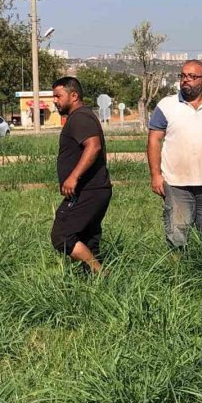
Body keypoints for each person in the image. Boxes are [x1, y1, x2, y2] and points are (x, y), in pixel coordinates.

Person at [147, 59, 202, 248]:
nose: (185, 80)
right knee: (177, 233)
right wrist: (155, 175)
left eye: (192, 76)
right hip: (175, 182)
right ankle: (178, 273)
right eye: (183, 76)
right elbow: (154, 140)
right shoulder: (166, 105)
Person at [50, 76, 112, 273]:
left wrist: (73, 176)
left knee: (62, 237)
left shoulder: (80, 117)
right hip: (94, 189)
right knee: (88, 239)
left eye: (58, 96)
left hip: (88, 190)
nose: (54, 100)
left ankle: (100, 272)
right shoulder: (82, 116)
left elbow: (93, 147)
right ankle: (92, 284)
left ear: (74, 95)